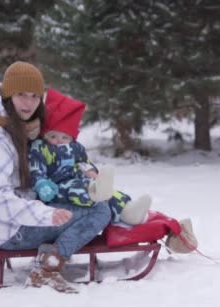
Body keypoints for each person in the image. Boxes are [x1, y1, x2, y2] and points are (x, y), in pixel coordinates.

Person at [0, 61, 111, 293]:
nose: (29, 103)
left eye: (35, 96)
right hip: (13, 230)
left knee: (85, 197)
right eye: (21, 95)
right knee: (100, 210)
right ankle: (48, 268)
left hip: (16, 217)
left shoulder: (3, 124)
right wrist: (47, 214)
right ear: (9, 95)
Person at [28, 88, 152, 226]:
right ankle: (96, 192)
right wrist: (42, 184)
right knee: (79, 188)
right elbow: (35, 169)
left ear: (72, 137)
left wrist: (90, 171)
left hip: (79, 180)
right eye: (53, 136)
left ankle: (128, 211)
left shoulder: (76, 147)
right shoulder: (40, 147)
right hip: (55, 188)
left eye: (65, 137)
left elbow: (82, 162)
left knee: (108, 192)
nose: (59, 140)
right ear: (45, 134)